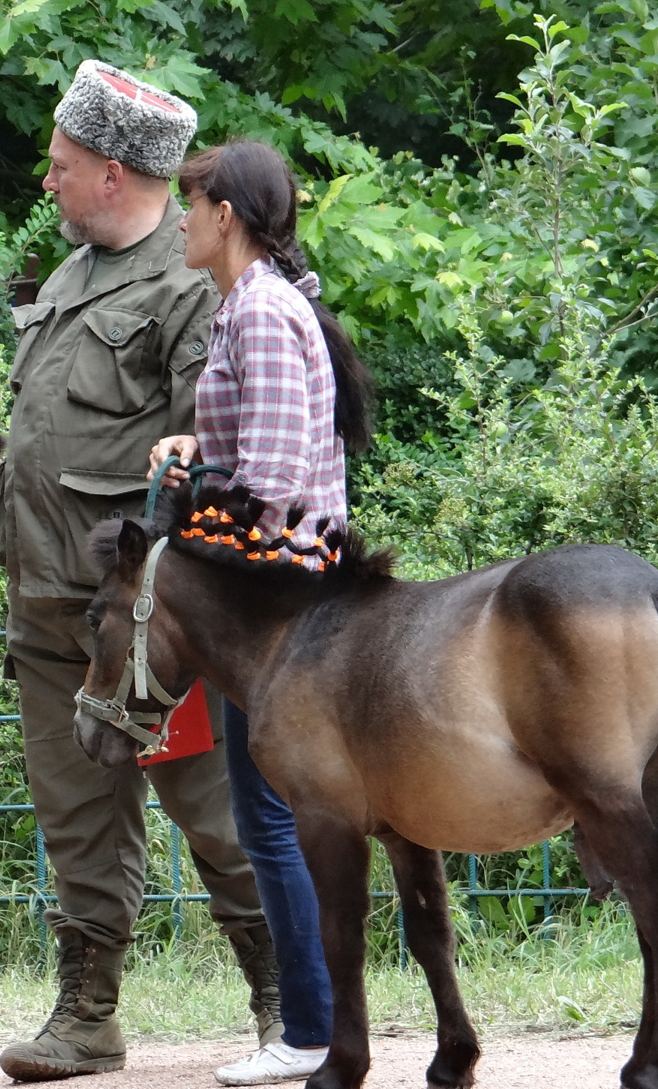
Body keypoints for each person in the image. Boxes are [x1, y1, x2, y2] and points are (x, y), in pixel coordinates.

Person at [0, 62, 283, 1081]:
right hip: (43, 604)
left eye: (62, 165)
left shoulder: (195, 281)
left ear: (114, 173)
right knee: (74, 815)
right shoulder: (68, 278)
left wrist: (172, 604)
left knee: (215, 811)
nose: (48, 181)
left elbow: (210, 454)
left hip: (150, 620)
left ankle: (281, 1002)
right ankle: (88, 1016)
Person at [147, 140, 375, 1086]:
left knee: (271, 819)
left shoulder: (264, 312)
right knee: (264, 814)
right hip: (272, 595)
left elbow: (276, 483)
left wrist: (189, 484)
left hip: (280, 605)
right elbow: (262, 444)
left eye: (192, 205)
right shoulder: (249, 305)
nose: (182, 221)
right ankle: (312, 1022)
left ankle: (310, 1029)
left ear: (227, 214)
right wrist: (197, 446)